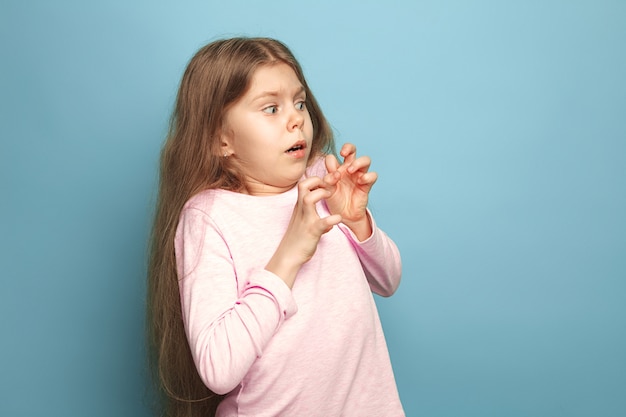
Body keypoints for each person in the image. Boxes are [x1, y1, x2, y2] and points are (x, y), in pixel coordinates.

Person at [147, 37, 404, 417]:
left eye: (299, 102)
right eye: (271, 108)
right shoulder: (209, 216)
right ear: (221, 138)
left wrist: (355, 220)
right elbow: (218, 369)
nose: (296, 118)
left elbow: (388, 280)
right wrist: (290, 252)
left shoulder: (320, 182)